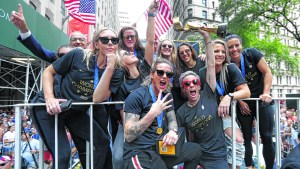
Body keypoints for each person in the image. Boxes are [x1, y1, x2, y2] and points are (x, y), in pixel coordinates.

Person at [32, 27, 124, 169]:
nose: (110, 43)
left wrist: (110, 67)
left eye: (114, 40)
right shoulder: (78, 55)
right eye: (105, 40)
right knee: (62, 156)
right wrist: (49, 98)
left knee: (102, 141)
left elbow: (97, 98)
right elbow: (48, 72)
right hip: (47, 109)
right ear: (96, 44)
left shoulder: (117, 71)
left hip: (74, 111)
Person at [123, 57, 202, 169]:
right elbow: (128, 136)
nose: (164, 76)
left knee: (195, 150)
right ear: (151, 74)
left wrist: (173, 132)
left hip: (160, 148)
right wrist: (152, 114)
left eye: (168, 74)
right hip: (139, 152)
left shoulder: (167, 95)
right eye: (160, 73)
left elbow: (172, 120)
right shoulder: (137, 96)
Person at [110, 1, 158, 169]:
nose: (130, 39)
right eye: (126, 36)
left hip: (153, 118)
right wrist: (131, 125)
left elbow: (151, 42)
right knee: (118, 157)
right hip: (129, 122)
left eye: (133, 36)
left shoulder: (145, 68)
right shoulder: (118, 76)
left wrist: (151, 15)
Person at [176, 28, 229, 169]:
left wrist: (207, 38)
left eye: (195, 82)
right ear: (183, 89)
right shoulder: (181, 112)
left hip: (218, 157)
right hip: (197, 157)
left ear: (200, 85)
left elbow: (211, 66)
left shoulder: (208, 94)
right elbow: (185, 139)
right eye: (187, 84)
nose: (192, 85)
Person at [225, 34, 275, 169]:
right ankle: (248, 167)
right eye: (230, 47)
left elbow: (267, 72)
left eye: (237, 45)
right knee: (246, 138)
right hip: (243, 104)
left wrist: (266, 92)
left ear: (241, 45)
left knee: (267, 136)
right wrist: (240, 101)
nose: (234, 49)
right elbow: (230, 87)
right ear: (226, 49)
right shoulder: (226, 64)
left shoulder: (252, 54)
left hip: (261, 100)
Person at [198, 39, 250, 168]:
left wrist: (229, 96)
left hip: (225, 116)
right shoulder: (202, 72)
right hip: (208, 118)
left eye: (223, 51)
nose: (220, 54)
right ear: (209, 52)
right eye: (216, 51)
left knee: (237, 140)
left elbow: (246, 92)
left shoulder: (230, 68)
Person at [10, 4, 87, 63]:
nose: (78, 42)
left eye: (81, 39)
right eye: (74, 39)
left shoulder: (95, 60)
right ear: (70, 43)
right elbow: (39, 50)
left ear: (86, 43)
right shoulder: (60, 57)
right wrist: (23, 28)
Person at [172, 42, 206, 111]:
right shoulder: (179, 71)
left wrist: (206, 56)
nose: (184, 54)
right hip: (191, 106)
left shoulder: (202, 62)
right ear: (179, 56)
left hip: (205, 101)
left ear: (192, 51)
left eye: (187, 51)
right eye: (181, 53)